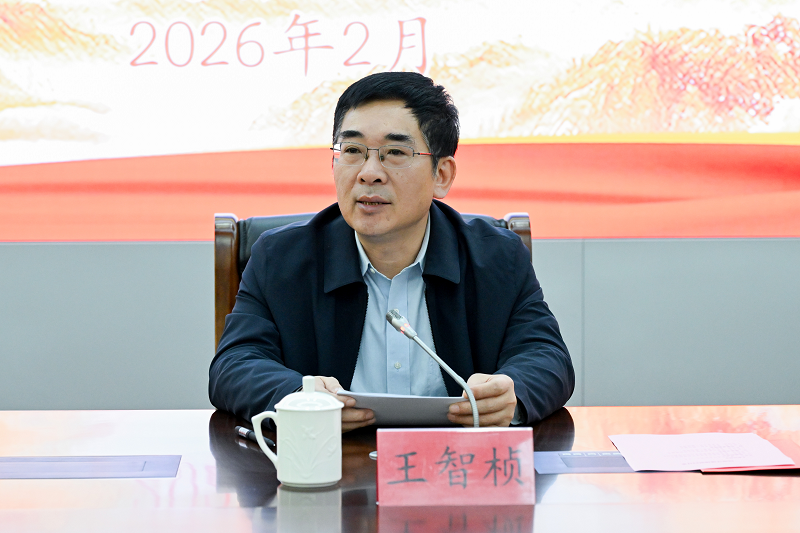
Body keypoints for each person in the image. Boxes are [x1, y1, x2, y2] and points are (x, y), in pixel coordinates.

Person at [209, 72, 574, 430]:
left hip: (454, 462)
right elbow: (233, 366)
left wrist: (512, 392)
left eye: (395, 152)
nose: (369, 173)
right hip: (330, 459)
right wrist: (299, 397)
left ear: (442, 175)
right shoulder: (280, 258)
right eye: (352, 151)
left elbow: (547, 358)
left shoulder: (497, 257)